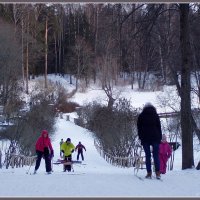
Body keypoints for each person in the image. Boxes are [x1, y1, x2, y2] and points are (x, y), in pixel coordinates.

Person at [137, 102, 162, 179]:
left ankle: (149, 173)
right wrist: (159, 137)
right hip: (155, 137)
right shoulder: (155, 115)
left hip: (145, 138)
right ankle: (158, 173)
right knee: (156, 155)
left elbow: (139, 128)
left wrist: (141, 137)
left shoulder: (141, 116)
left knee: (147, 156)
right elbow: (159, 127)